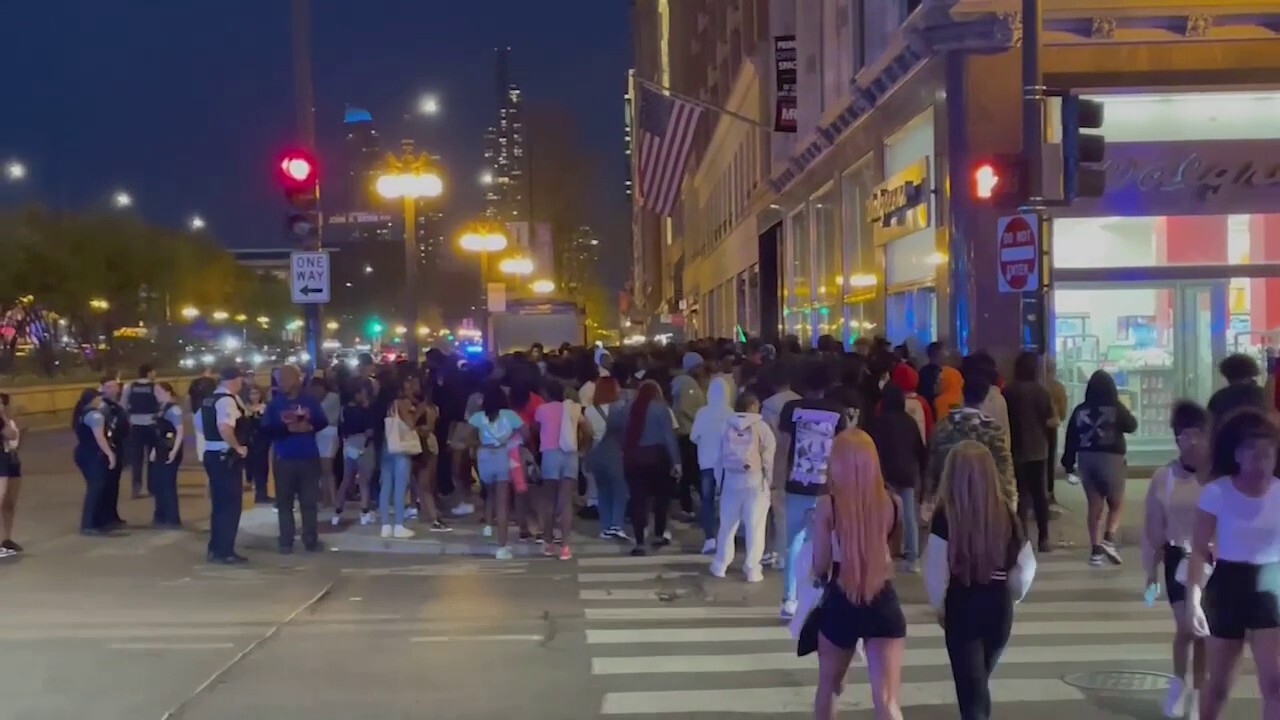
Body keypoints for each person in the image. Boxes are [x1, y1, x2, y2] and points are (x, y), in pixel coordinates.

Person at [924, 441, 1036, 720]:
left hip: (963, 605)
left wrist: (940, 607)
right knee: (980, 682)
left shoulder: (945, 518)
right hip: (998, 607)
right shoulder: (1008, 516)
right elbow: (1024, 568)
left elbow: (935, 571)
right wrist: (1014, 596)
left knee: (971, 692)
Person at [1187, 408, 1280, 720]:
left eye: (1268, 455)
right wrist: (1193, 599)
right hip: (1227, 585)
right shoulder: (1217, 492)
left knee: (1275, 682)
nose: (1262, 463)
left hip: (1272, 584)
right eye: (1254, 455)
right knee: (1220, 685)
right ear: (1238, 455)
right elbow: (1198, 549)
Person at [811, 430, 906, 720]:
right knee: (887, 699)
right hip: (883, 599)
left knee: (829, 686)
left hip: (842, 598)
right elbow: (894, 550)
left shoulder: (828, 505)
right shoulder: (894, 503)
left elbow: (820, 565)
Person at [1141, 401, 1209, 719]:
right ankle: (1179, 684)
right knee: (1186, 629)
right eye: (1185, 434)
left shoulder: (1218, 478)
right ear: (1177, 439)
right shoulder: (1163, 478)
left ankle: (1198, 693)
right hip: (1177, 558)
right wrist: (1150, 573)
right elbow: (1153, 528)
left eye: (1198, 433)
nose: (1192, 440)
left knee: (1205, 632)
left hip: (1214, 561)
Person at [778, 362, 857, 619]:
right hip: (827, 488)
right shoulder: (838, 412)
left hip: (796, 484)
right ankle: (820, 595)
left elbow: (783, 447)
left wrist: (777, 482)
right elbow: (842, 451)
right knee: (824, 542)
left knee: (793, 543)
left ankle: (790, 599)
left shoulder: (791, 409)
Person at [1062, 370, 1137, 566]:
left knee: (1094, 505)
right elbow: (1132, 426)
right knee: (1116, 503)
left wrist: (1068, 464)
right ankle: (1109, 539)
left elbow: (1071, 437)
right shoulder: (1115, 408)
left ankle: (1095, 551)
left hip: (1087, 459)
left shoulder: (1080, 410)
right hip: (1112, 458)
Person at [927, 372, 1016, 517]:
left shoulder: (943, 427)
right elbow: (1005, 470)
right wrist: (1010, 503)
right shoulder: (993, 430)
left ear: (962, 395)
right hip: (985, 501)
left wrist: (929, 499)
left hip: (949, 500)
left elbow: (933, 465)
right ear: (986, 397)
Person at [708, 392, 775, 582]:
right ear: (753, 405)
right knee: (755, 526)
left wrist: (720, 482)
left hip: (730, 480)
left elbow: (718, 459)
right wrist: (768, 482)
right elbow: (768, 459)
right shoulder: (762, 427)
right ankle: (752, 569)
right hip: (755, 481)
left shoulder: (725, 426)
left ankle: (720, 564)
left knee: (727, 525)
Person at [263, 365, 328, 553]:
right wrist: (287, 429)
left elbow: (322, 421)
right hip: (284, 458)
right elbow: (266, 429)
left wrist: (310, 426)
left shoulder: (309, 400)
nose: (282, 382)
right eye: (279, 379)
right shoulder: (275, 404)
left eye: (285, 378)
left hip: (308, 457)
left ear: (296, 380)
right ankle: (286, 540)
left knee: (309, 502)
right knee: (284, 502)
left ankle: (310, 539)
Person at [618, 378, 681, 556]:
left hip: (633, 458)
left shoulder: (626, 409)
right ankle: (659, 534)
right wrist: (676, 461)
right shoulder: (662, 409)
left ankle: (639, 541)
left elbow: (623, 436)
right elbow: (669, 437)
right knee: (661, 498)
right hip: (657, 458)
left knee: (638, 499)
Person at [194, 367, 250, 563]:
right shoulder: (227, 401)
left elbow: (199, 424)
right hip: (225, 456)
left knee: (219, 504)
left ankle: (216, 548)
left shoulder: (209, 400)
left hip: (212, 453)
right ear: (235, 380)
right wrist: (237, 446)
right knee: (230, 505)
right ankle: (224, 551)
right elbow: (225, 427)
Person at [870, 385, 927, 572]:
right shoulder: (909, 422)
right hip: (908, 473)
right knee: (909, 515)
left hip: (885, 473)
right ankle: (912, 556)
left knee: (884, 514)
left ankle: (883, 552)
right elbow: (920, 449)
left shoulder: (878, 422)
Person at [1004, 351, 1055, 552]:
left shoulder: (1009, 391)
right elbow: (1050, 419)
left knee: (1020, 494)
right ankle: (1044, 537)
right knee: (1039, 495)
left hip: (1016, 449)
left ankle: (1022, 536)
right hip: (1039, 449)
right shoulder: (1042, 392)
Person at [468, 381, 525, 560]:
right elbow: (526, 432)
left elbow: (469, 436)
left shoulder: (478, 417)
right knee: (503, 503)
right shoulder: (510, 415)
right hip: (502, 455)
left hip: (484, 456)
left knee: (489, 490)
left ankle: (487, 524)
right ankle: (502, 546)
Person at [533, 380, 585, 559]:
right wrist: (582, 447)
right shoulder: (573, 408)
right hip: (570, 454)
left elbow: (536, 429)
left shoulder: (542, 409)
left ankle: (548, 542)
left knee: (548, 501)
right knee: (566, 502)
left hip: (550, 454)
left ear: (547, 393)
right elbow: (588, 429)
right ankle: (565, 546)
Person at [761, 363, 801, 569]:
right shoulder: (800, 402)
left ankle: (779, 552)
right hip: (800, 461)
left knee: (778, 511)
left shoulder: (768, 405)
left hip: (776, 461)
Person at [690, 376, 734, 555]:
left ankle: (709, 539)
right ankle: (725, 538)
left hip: (706, 462)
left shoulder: (703, 412)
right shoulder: (730, 412)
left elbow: (693, 436)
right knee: (726, 501)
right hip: (726, 463)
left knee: (707, 501)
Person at [585, 376, 628, 540]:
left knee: (603, 491)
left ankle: (605, 526)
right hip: (615, 452)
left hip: (596, 452)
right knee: (620, 490)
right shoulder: (619, 407)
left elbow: (588, 436)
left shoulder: (589, 410)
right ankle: (617, 524)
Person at [73, 387, 117, 537]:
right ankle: (88, 524)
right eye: (98, 398)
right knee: (95, 489)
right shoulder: (95, 416)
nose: (101, 400)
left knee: (96, 488)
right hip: (93, 454)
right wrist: (110, 454)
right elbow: (100, 438)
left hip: (84, 453)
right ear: (93, 400)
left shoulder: (82, 413)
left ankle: (96, 521)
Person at [334, 379, 377, 526]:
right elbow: (370, 430)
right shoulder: (366, 410)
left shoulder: (344, 409)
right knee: (364, 481)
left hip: (349, 445)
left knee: (346, 479)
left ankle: (337, 511)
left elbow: (342, 429)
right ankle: (364, 512)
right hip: (364, 445)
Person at [148, 382, 184, 528]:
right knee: (159, 484)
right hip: (160, 448)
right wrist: (154, 450)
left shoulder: (174, 410)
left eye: (159, 392)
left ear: (168, 392)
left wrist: (174, 451)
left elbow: (179, 432)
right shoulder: (161, 408)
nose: (156, 395)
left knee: (168, 484)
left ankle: (172, 518)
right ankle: (160, 515)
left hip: (169, 448)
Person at [123, 364, 160, 498]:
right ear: (149, 373)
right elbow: (163, 403)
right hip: (151, 426)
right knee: (152, 458)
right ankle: (153, 487)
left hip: (135, 426)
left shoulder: (130, 387)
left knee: (136, 459)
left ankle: (136, 487)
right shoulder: (154, 387)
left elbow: (123, 405)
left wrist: (130, 419)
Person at [99, 373, 128, 528]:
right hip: (108, 448)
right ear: (102, 388)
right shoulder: (102, 406)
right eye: (108, 386)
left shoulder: (116, 405)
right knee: (106, 484)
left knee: (114, 483)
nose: (112, 389)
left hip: (118, 446)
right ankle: (105, 517)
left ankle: (112, 515)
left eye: (114, 386)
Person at [1044, 358, 1068, 507]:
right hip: (1051, 427)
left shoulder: (1038, 386)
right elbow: (1063, 412)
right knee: (1050, 460)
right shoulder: (1058, 388)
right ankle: (1049, 491)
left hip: (1033, 428)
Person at [0, 393, 22, 553]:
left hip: (10, 459)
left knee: (9, 502)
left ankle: (6, 538)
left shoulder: (6, 421)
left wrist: (5, 418)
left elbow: (13, 436)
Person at [242, 385, 271, 505]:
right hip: (250, 441)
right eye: (252, 393)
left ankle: (262, 493)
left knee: (263, 466)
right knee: (253, 467)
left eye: (257, 393)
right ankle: (259, 494)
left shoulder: (265, 408)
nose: (254, 396)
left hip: (263, 440)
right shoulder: (245, 409)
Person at [918, 341, 945, 410]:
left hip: (926, 408)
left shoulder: (922, 371)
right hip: (940, 409)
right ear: (939, 354)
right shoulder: (943, 372)